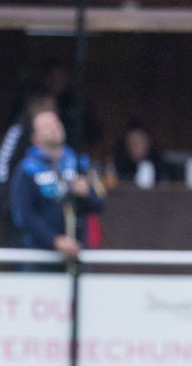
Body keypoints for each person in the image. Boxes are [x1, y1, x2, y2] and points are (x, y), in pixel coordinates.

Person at [9, 109, 104, 262]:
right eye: (46, 126)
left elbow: (99, 205)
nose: (54, 127)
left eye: (56, 122)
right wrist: (55, 240)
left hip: (78, 254)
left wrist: (87, 193)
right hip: (40, 257)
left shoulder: (79, 163)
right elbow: (23, 214)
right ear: (35, 137)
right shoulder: (27, 169)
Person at [112, 117, 171, 187]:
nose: (135, 145)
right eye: (131, 142)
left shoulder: (161, 167)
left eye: (139, 141)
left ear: (148, 142)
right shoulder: (119, 167)